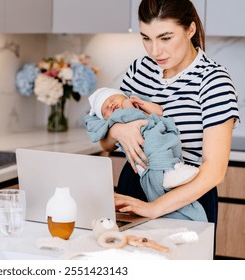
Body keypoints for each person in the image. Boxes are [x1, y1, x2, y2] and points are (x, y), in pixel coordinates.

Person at [99, 0, 240, 225]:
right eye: (146, 38)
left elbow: (214, 171)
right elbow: (105, 144)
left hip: (186, 198)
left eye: (165, 38)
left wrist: (154, 208)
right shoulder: (139, 70)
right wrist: (118, 130)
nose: (155, 50)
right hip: (132, 188)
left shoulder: (213, 81)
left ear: (190, 29)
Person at [85, 87, 206, 221]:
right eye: (105, 108)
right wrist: (116, 130)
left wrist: (139, 104)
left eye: (112, 99)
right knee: (133, 239)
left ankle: (170, 169)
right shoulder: (136, 69)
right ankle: (166, 173)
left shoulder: (134, 103)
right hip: (136, 170)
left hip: (190, 187)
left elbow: (158, 111)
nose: (110, 104)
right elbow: (106, 145)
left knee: (158, 141)